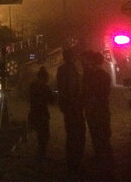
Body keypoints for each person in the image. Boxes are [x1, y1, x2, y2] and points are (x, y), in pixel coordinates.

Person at [57, 47, 86, 178]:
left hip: (71, 105)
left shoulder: (64, 69)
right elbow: (69, 88)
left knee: (72, 132)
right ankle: (75, 160)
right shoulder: (70, 69)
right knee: (76, 132)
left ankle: (73, 160)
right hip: (73, 105)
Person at [82, 51, 113, 170]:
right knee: (101, 134)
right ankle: (104, 158)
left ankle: (103, 158)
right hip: (100, 108)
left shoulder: (93, 75)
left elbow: (91, 92)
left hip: (96, 108)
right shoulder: (104, 75)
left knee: (98, 133)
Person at [27, 66, 56, 162]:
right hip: (42, 113)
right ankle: (41, 154)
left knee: (41, 135)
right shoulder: (45, 87)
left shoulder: (33, 86)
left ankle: (40, 153)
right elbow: (52, 100)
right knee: (44, 135)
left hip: (35, 112)